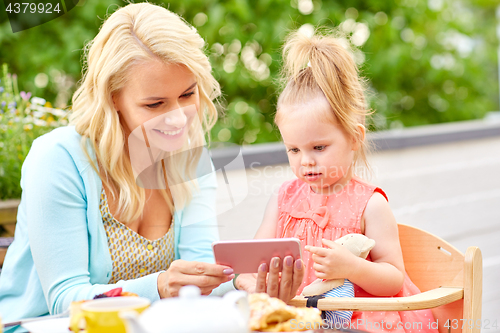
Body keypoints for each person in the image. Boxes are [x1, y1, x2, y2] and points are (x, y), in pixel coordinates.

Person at [0, 3, 259, 330]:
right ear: (112, 98)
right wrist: (160, 286)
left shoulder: (189, 158)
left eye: (187, 94)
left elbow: (198, 274)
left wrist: (240, 282)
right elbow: (66, 301)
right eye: (155, 104)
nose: (178, 118)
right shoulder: (57, 159)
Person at [237, 29, 438, 333]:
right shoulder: (283, 199)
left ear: (355, 138)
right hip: (300, 318)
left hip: (356, 320)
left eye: (319, 148)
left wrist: (351, 267)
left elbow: (393, 278)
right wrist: (248, 279)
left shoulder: (370, 204)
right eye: (294, 149)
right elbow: (253, 261)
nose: (306, 160)